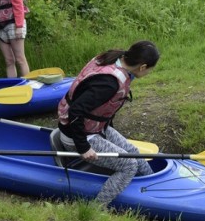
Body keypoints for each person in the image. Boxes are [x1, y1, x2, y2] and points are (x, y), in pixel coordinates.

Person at [57, 40, 160, 208]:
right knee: (129, 165)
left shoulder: (116, 58)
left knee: (133, 151)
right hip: (77, 135)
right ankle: (97, 208)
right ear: (142, 67)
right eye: (150, 69)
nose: (150, 72)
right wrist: (83, 147)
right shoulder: (109, 83)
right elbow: (75, 111)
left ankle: (154, 186)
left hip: (95, 128)